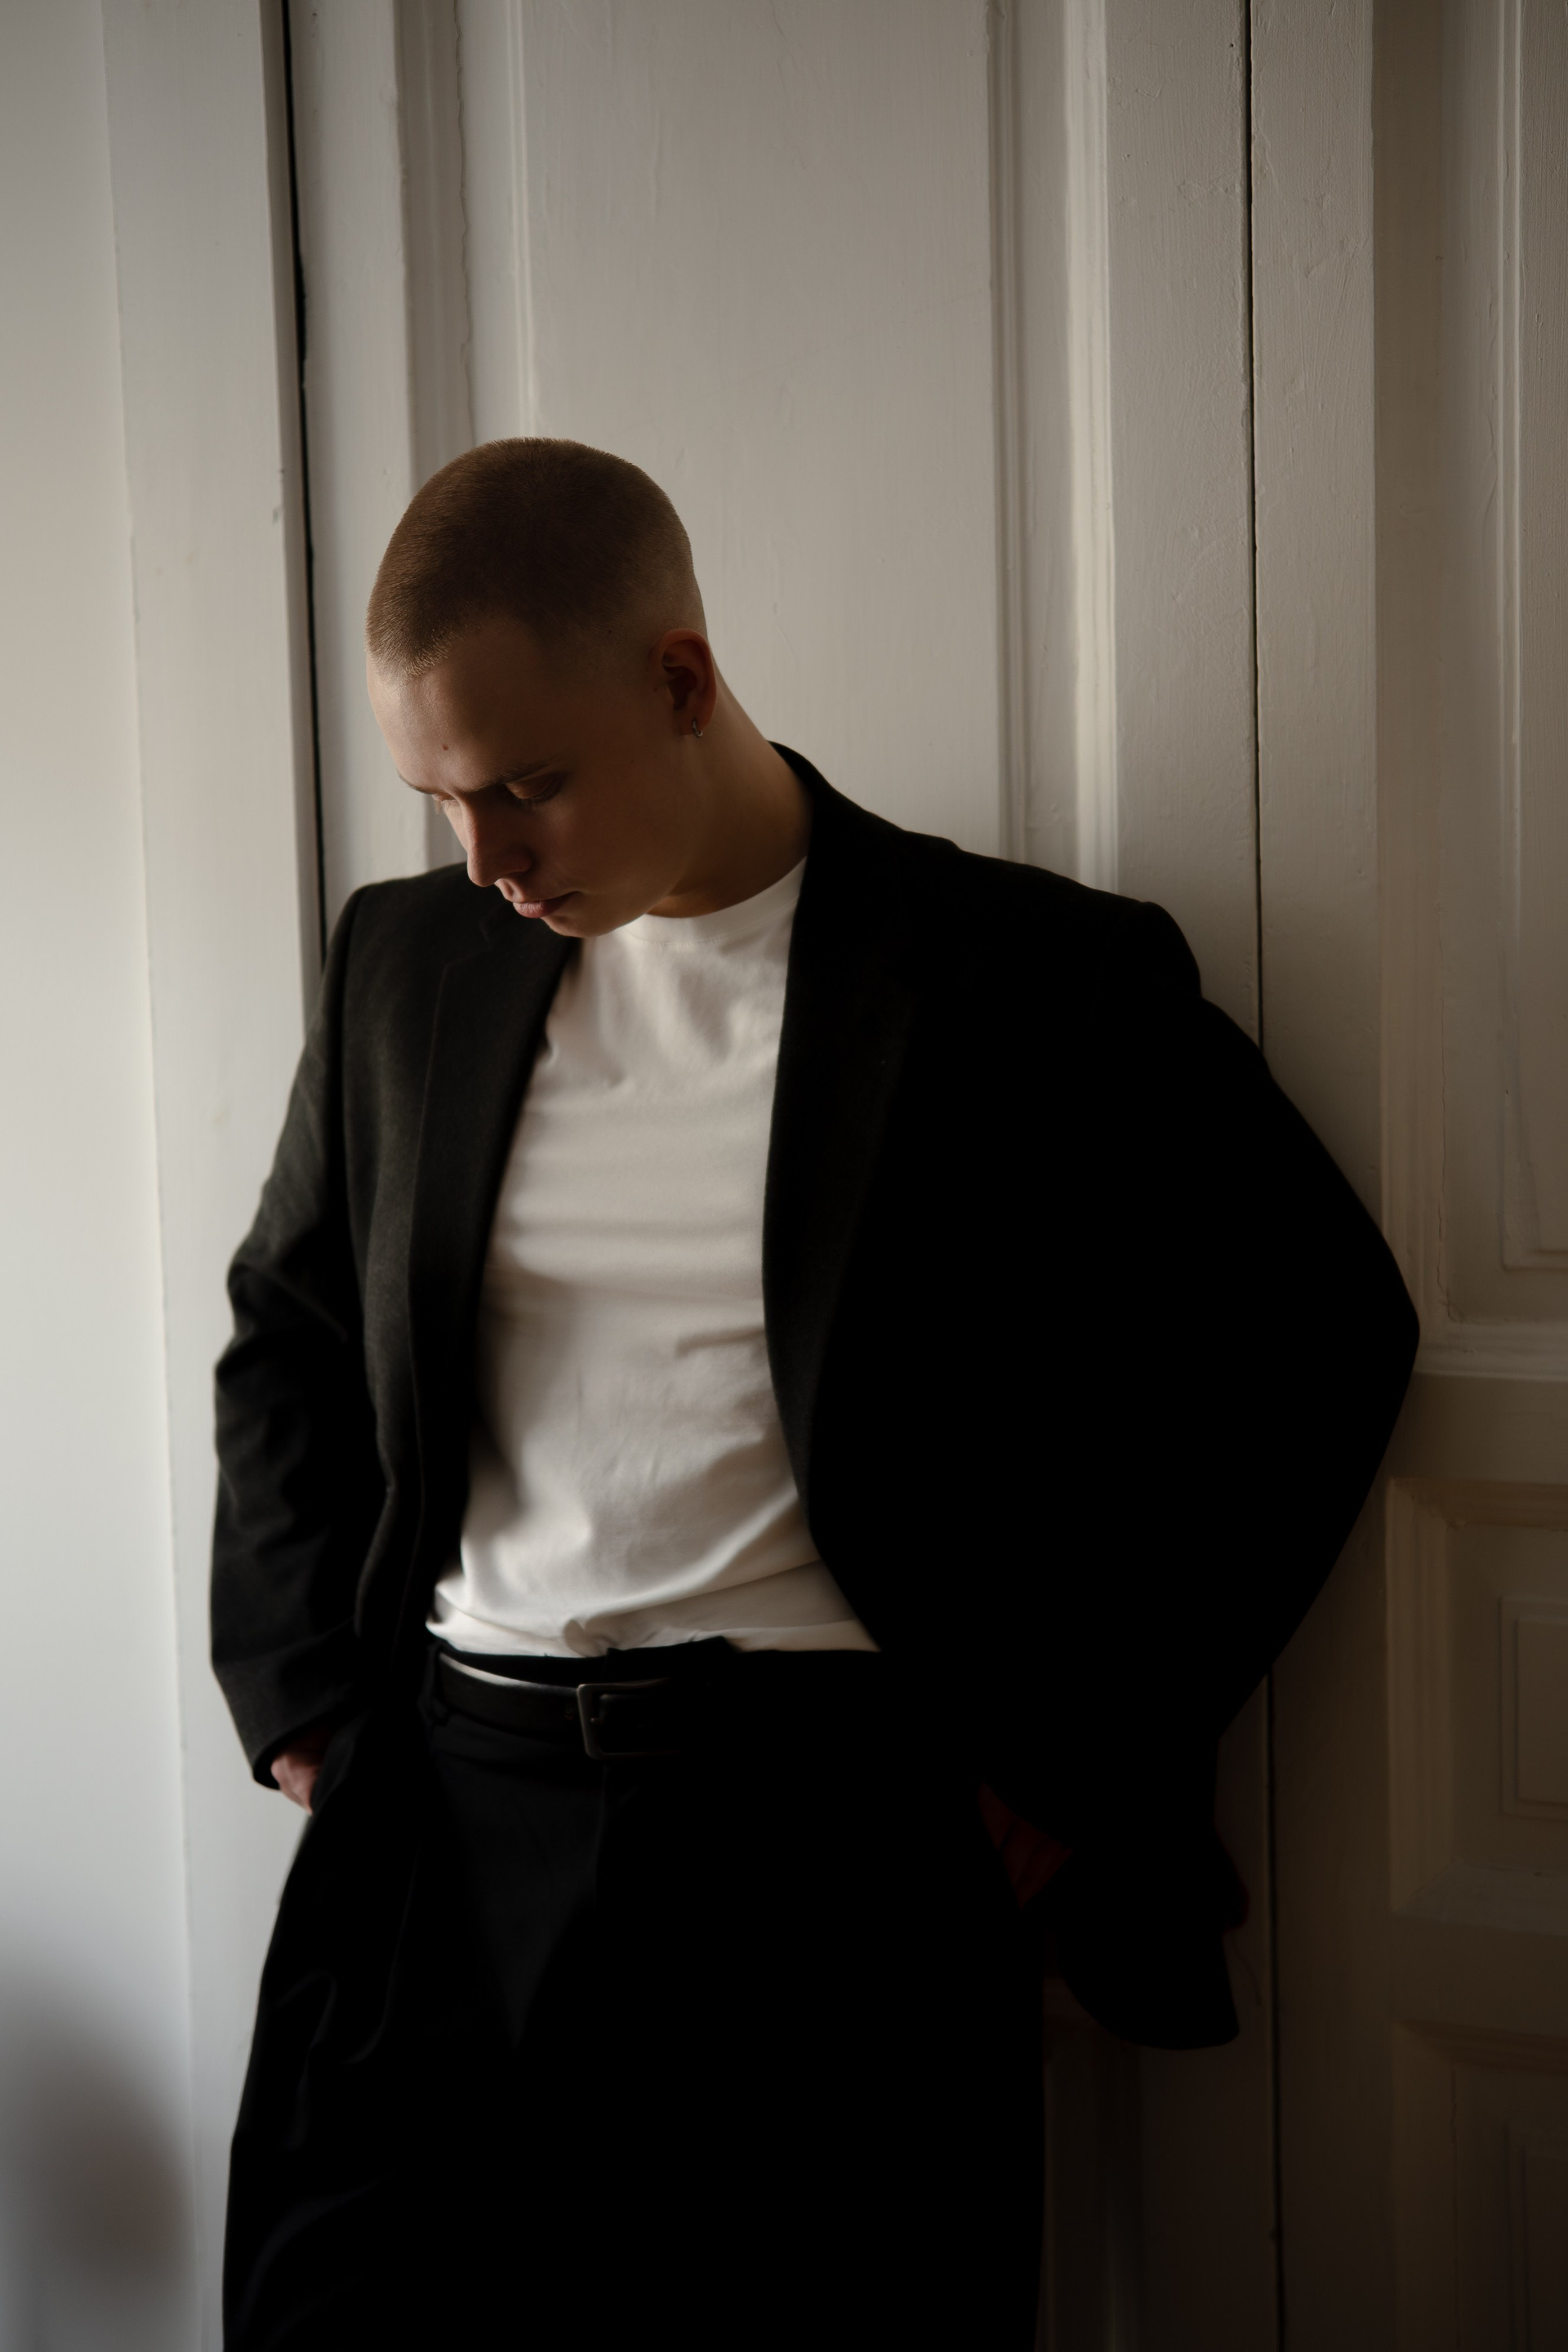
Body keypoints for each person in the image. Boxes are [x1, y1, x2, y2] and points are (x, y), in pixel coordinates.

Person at [212, 438, 1418, 2350]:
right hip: (443, 1818)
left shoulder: (1028, 975)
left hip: (823, 1855)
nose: (486, 860)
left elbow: (1320, 1335)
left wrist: (1081, 1750)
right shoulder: (408, 960)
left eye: (525, 785)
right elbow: (288, 1324)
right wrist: (300, 1705)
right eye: (439, 798)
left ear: (682, 679)